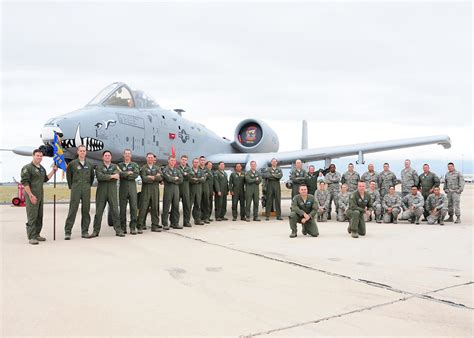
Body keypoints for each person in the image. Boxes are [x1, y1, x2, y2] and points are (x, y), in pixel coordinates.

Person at [21, 149, 57, 245]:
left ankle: (37, 234)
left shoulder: (42, 168)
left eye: (41, 156)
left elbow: (45, 179)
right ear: (33, 156)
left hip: (40, 195)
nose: (39, 157)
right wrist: (30, 195)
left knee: (39, 216)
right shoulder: (27, 168)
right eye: (37, 155)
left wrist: (53, 171)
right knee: (32, 216)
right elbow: (25, 182)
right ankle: (32, 237)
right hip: (31, 195)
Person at [64, 145, 95, 240]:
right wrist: (72, 186)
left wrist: (87, 186)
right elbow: (69, 176)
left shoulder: (89, 164)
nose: (82, 152)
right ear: (77, 152)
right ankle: (68, 232)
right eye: (80, 151)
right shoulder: (73, 164)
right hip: (76, 189)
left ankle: (85, 231)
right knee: (72, 210)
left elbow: (91, 177)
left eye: (84, 151)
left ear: (86, 152)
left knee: (86, 211)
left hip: (86, 189)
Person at [92, 150, 123, 237]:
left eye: (109, 155)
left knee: (115, 211)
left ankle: (118, 230)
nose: (107, 157)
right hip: (101, 191)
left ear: (111, 157)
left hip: (112, 191)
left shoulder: (115, 166)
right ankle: (95, 231)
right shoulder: (99, 166)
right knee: (99, 212)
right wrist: (111, 176)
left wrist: (107, 176)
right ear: (103, 157)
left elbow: (117, 176)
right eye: (105, 155)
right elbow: (99, 177)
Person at [137, 153, 162, 233]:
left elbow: (160, 177)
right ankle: (140, 225)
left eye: (152, 158)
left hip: (155, 190)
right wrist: (155, 177)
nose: (150, 159)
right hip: (146, 190)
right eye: (149, 157)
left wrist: (151, 177)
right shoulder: (143, 168)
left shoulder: (157, 168)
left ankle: (154, 225)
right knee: (143, 207)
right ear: (146, 158)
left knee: (155, 207)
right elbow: (144, 179)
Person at [118, 149, 140, 235]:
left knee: (133, 208)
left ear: (131, 155)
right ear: (123, 155)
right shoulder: (119, 165)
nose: (127, 155)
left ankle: (133, 227)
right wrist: (128, 173)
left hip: (132, 189)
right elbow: (119, 174)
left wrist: (125, 175)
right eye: (126, 153)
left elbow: (135, 175)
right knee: (122, 209)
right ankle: (123, 228)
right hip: (123, 189)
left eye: (128, 154)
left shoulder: (134, 165)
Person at [161, 156, 183, 230]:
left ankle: (175, 223)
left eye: (174, 160)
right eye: (171, 160)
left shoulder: (177, 170)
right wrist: (175, 178)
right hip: (168, 189)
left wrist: (173, 178)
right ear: (168, 161)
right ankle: (165, 223)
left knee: (176, 206)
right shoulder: (165, 169)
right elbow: (168, 178)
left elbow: (181, 179)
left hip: (176, 189)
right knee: (166, 206)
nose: (173, 162)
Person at [189, 158, 206, 225]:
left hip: (198, 190)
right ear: (192, 163)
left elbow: (204, 179)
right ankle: (187, 220)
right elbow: (190, 179)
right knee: (189, 206)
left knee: (197, 205)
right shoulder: (189, 170)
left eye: (197, 162)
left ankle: (197, 219)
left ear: (198, 163)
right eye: (194, 162)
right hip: (191, 190)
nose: (196, 163)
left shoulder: (201, 171)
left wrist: (196, 179)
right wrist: (199, 179)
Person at [177, 155, 193, 227]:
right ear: (180, 160)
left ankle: (186, 222)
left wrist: (183, 175)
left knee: (187, 205)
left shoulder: (189, 168)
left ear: (187, 161)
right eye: (183, 159)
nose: (184, 161)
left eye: (185, 160)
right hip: (178, 188)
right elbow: (177, 176)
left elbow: (190, 177)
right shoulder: (177, 168)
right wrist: (185, 175)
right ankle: (175, 222)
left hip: (186, 189)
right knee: (175, 206)